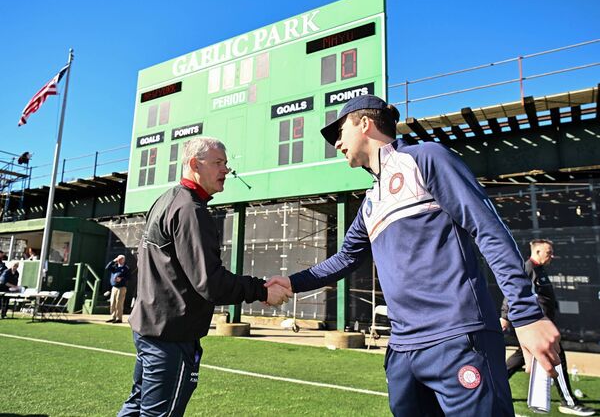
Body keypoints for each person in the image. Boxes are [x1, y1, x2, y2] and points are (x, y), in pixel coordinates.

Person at [266, 94, 561, 416]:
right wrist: (292, 283)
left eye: (340, 131)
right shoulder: (371, 202)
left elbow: (487, 229)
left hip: (457, 337)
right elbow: (345, 258)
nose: (336, 143)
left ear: (365, 124)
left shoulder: (425, 157)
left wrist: (526, 314)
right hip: (403, 350)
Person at [118, 137, 292, 417]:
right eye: (218, 163)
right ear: (193, 164)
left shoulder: (167, 200)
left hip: (151, 327)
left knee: (136, 407)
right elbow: (209, 282)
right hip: (170, 335)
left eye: (226, 163)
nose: (226, 170)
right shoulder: (190, 209)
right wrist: (261, 290)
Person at [500, 239, 595, 416]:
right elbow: (512, 292)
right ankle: (568, 401)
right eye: (548, 252)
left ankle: (494, 386)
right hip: (536, 327)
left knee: (520, 357)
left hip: (542, 326)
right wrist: (504, 317)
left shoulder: (539, 270)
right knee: (558, 359)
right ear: (536, 252)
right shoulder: (528, 268)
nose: (552, 256)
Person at [105, 254, 131, 324]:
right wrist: (114, 261)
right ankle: (113, 317)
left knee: (119, 303)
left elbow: (129, 277)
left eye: (121, 259)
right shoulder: (115, 267)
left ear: (123, 260)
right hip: (114, 287)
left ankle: (119, 318)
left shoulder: (126, 268)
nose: (119, 260)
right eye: (118, 259)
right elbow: (107, 268)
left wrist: (121, 279)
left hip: (121, 287)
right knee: (112, 302)